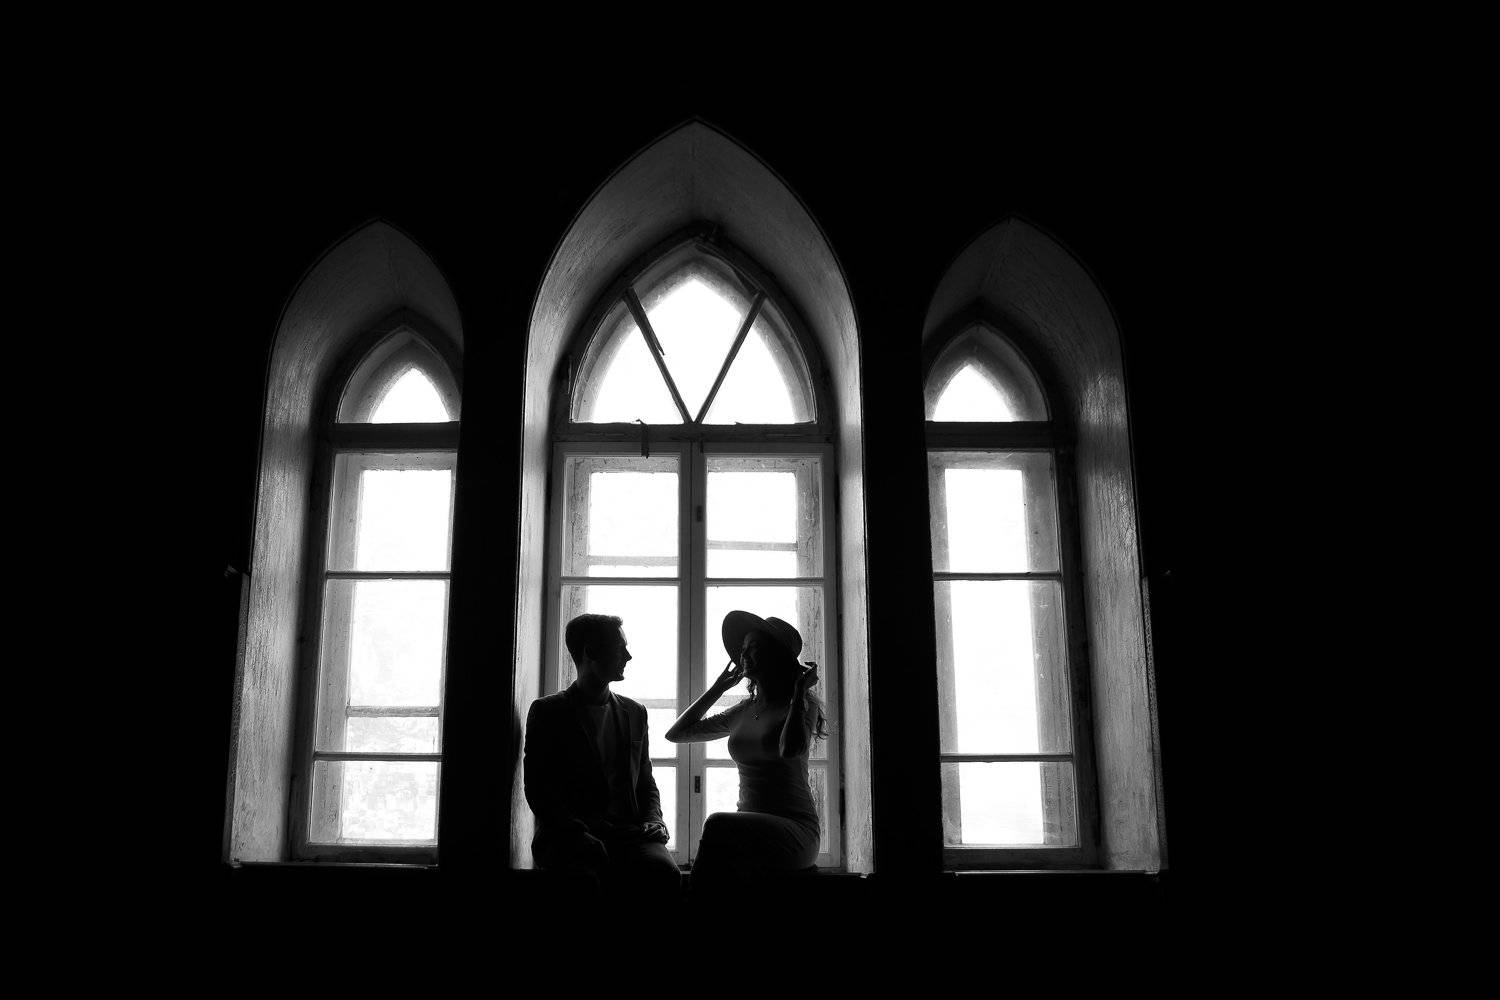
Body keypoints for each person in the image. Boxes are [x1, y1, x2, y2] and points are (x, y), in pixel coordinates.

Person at [666, 611, 827, 890]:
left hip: (795, 830)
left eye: (754, 648)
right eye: (743, 649)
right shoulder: (743, 710)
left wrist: (799, 692)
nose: (743, 656)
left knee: (716, 824)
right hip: (747, 828)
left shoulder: (801, 705)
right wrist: (716, 689)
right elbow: (676, 734)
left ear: (775, 657)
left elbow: (790, 750)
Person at [524, 613, 679, 897]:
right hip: (569, 833)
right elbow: (538, 790)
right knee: (583, 879)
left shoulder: (635, 712)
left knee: (665, 872)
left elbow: (646, 781)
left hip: (629, 833)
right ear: (591, 652)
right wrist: (578, 833)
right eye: (620, 648)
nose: (628, 656)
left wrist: (654, 819)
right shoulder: (549, 712)